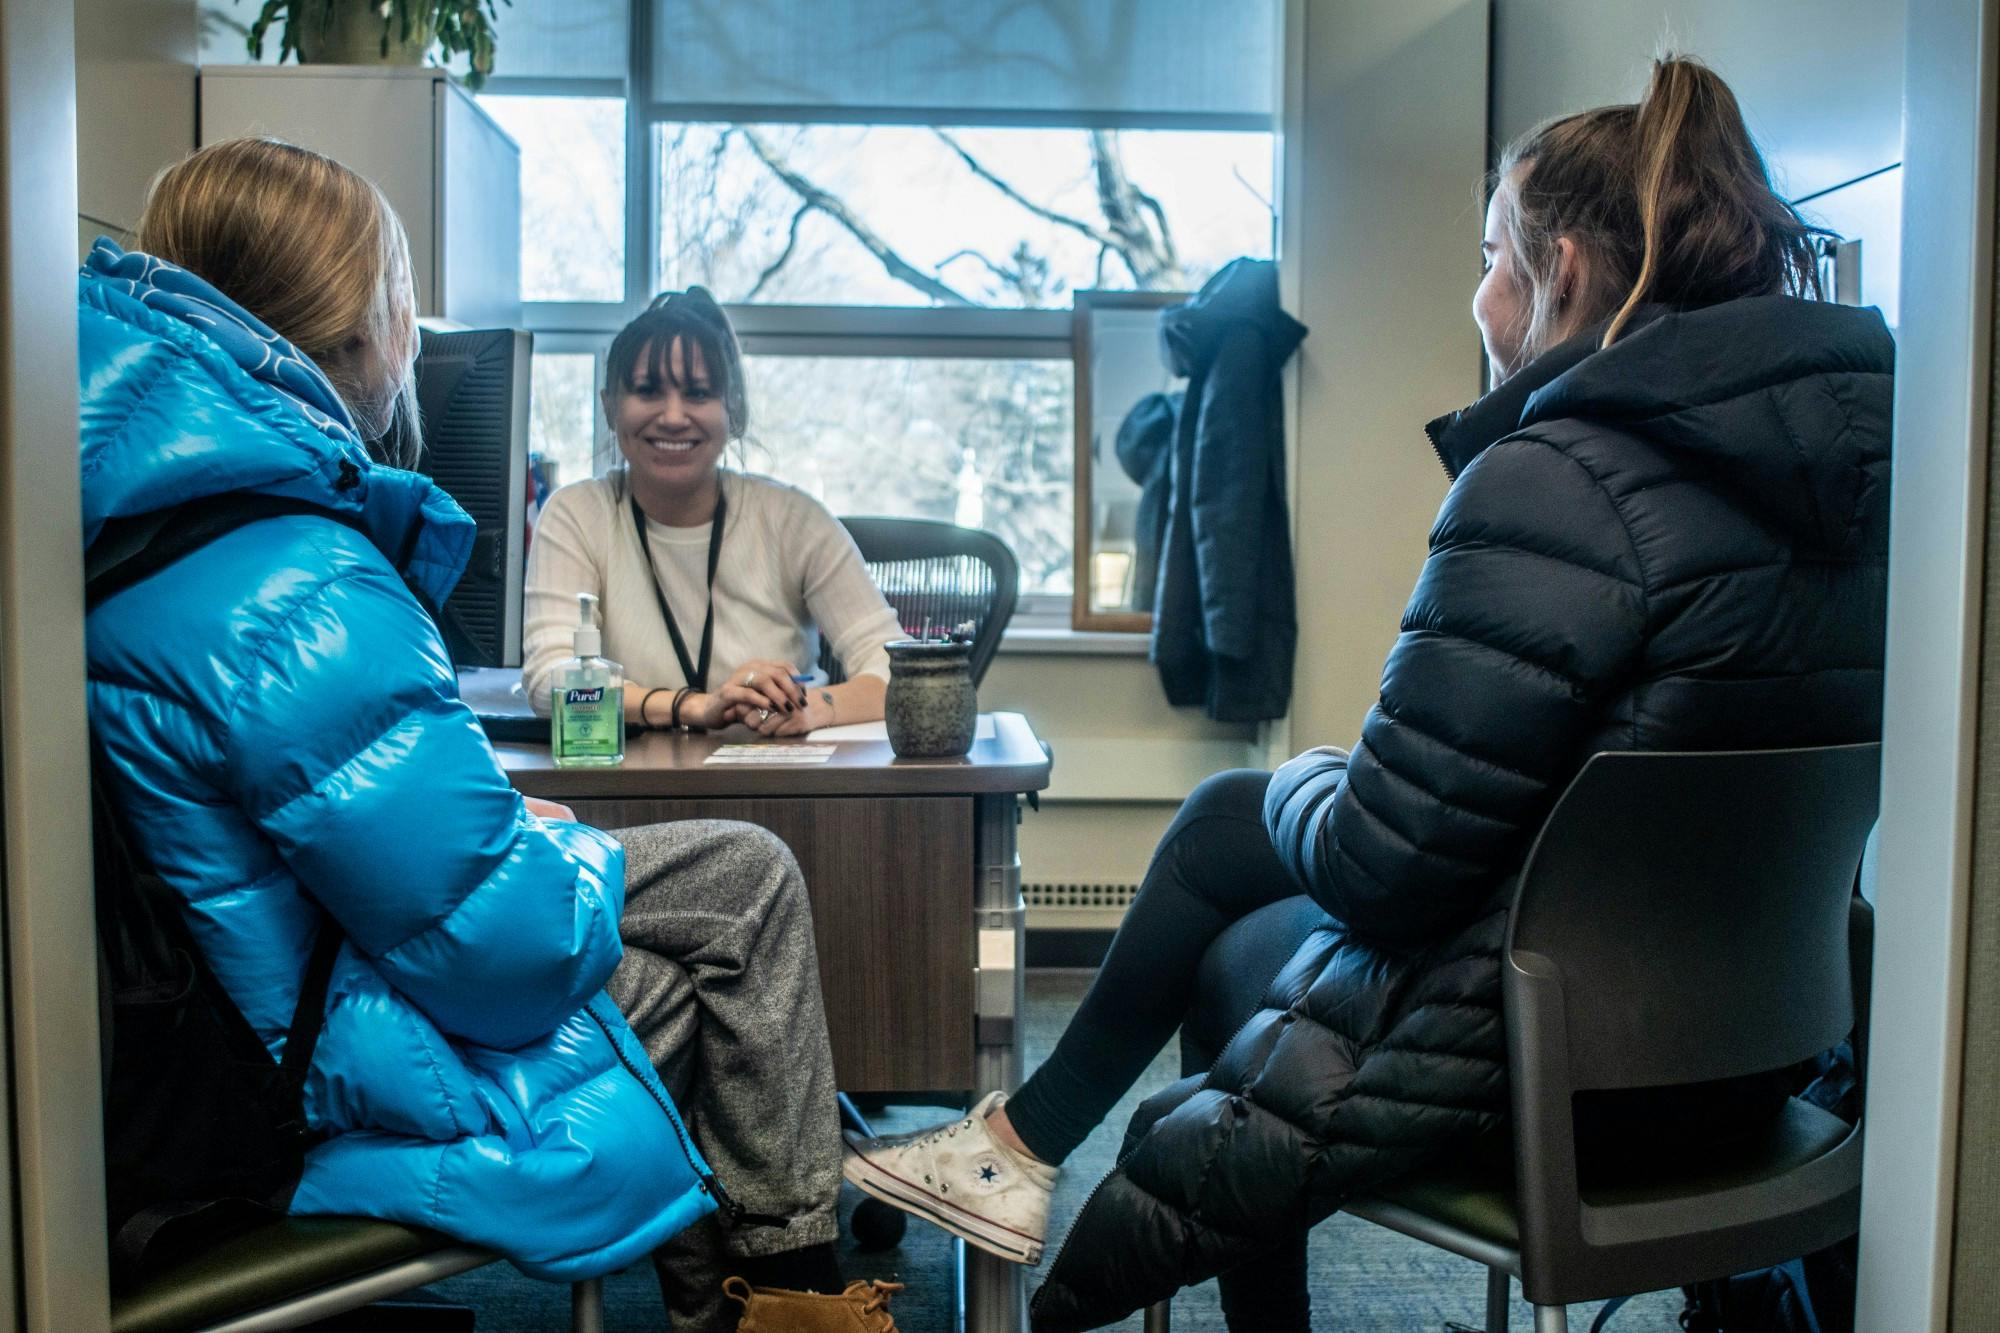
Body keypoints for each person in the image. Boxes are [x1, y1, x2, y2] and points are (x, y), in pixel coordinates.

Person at [844, 55, 1893, 1331]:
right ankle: (1014, 1144)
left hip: (1562, 1068)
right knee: (1232, 822)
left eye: (1491, 255)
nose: (1480, 292)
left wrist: (1313, 771)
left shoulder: (1559, 478)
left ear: (1556, 272)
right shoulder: (1857, 486)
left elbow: (1379, 867)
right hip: (1759, 1063)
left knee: (1236, 917)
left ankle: (1027, 1154)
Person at [80, 138, 900, 1332]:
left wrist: (502, 832)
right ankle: (786, 1296)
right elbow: (501, 955)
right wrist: (543, 842)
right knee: (726, 939)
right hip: (304, 1066)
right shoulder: (294, 575)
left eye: (698, 388)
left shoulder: (153, 508)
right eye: (403, 307)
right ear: (361, 332)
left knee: (733, 902)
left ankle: (752, 1296)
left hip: (262, 996)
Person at [521, 289, 903, 737]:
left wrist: (813, 706)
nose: (673, 416)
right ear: (609, 407)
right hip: (632, 787)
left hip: (781, 782)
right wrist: (697, 707)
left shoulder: (794, 519)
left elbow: (900, 673)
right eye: (648, 391)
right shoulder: (577, 514)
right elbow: (552, 683)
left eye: (698, 393)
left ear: (732, 411)